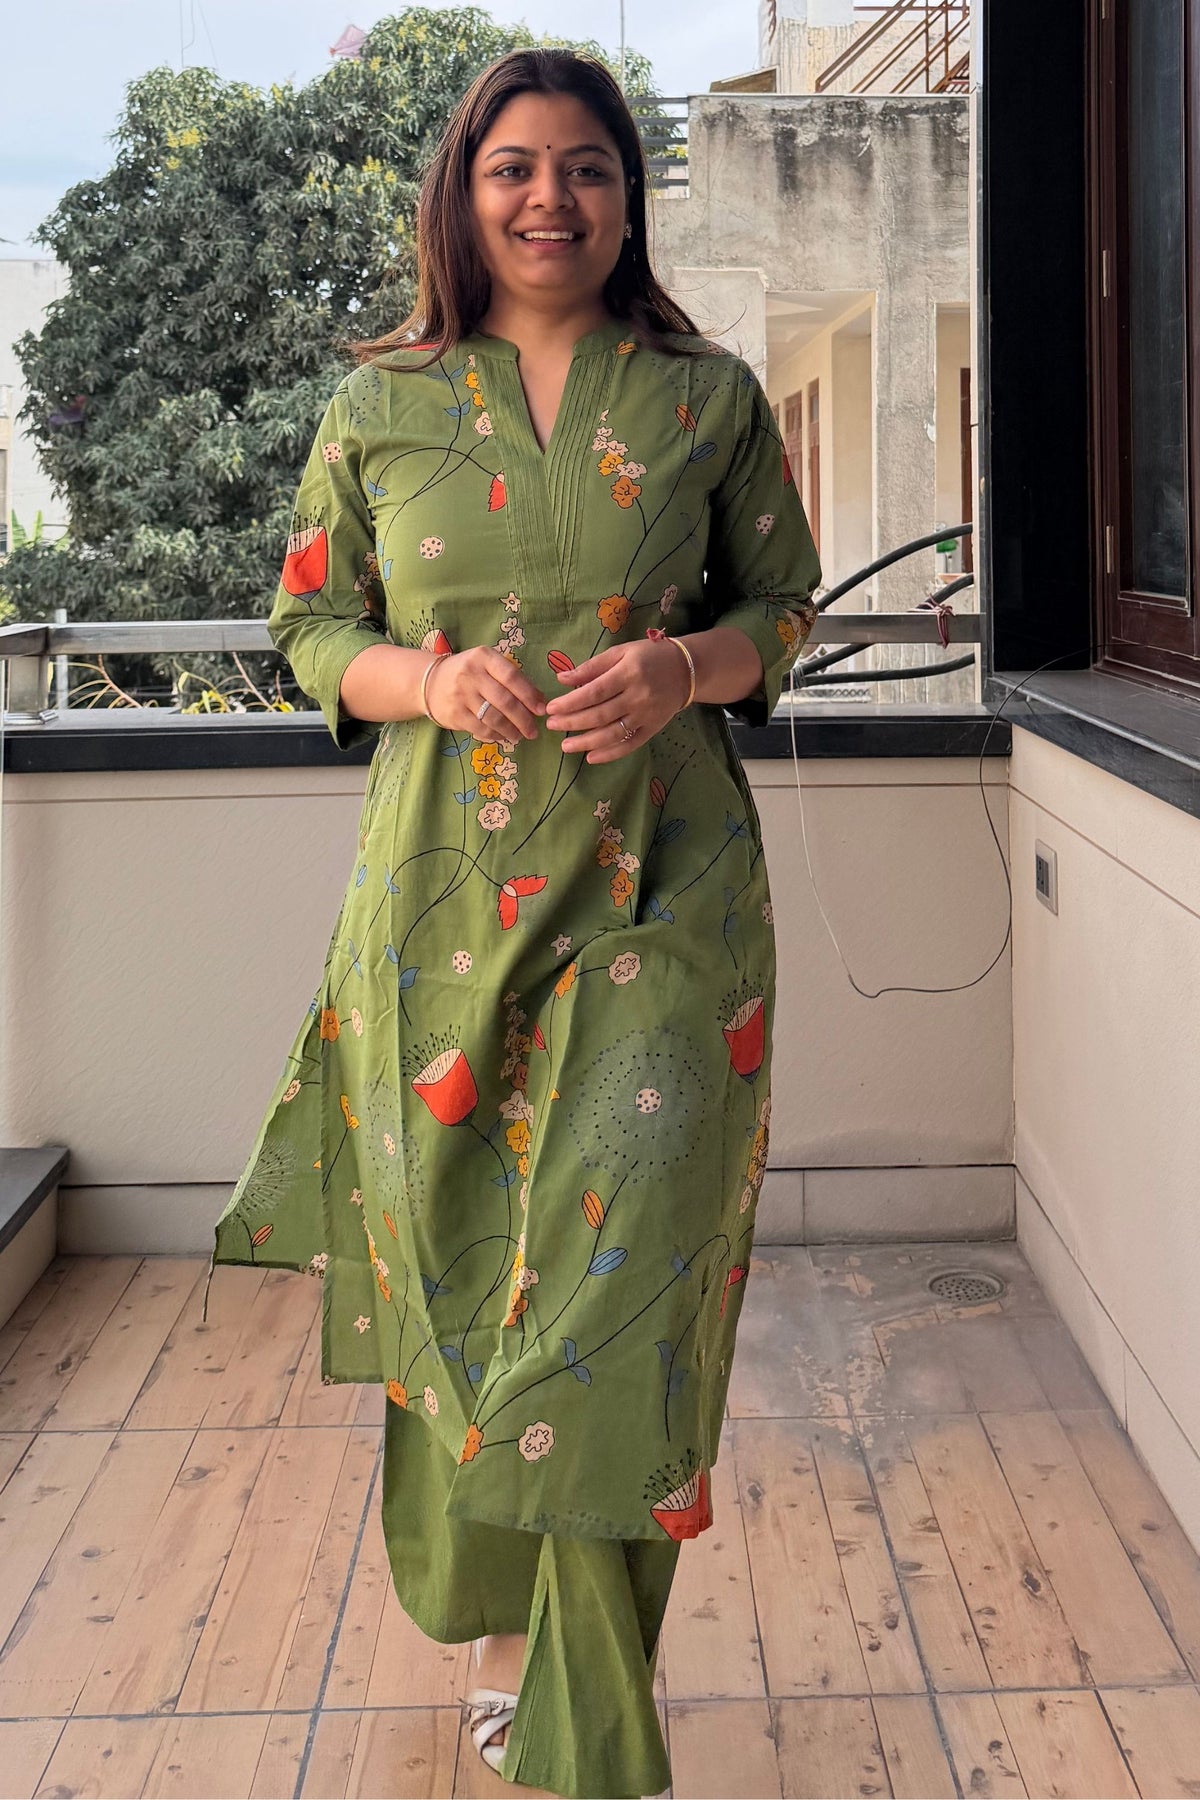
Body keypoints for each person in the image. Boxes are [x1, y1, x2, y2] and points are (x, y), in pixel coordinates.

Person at [207, 45, 820, 1800]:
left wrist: (684, 667)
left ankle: (584, 1684)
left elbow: (785, 605)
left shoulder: (705, 398)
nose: (553, 197)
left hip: (667, 889)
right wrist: (426, 679)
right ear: (462, 197)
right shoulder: (379, 404)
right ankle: (498, 1612)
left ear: (629, 199)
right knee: (472, 1267)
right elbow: (308, 628)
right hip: (442, 909)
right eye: (515, 168)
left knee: (622, 1283)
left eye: (589, 168)